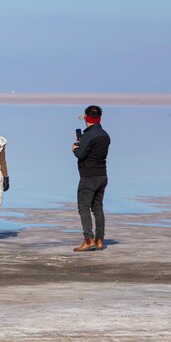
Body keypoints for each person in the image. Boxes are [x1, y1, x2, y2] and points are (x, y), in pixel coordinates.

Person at [72, 105, 111, 252]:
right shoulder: (105, 135)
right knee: (98, 208)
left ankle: (89, 240)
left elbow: (80, 154)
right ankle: (99, 240)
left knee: (84, 207)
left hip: (89, 177)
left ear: (86, 118)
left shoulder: (89, 135)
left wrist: (75, 148)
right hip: (102, 175)